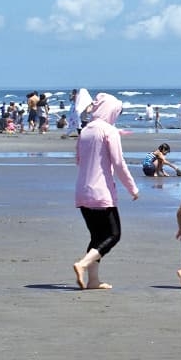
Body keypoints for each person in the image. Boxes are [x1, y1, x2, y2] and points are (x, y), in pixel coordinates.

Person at [72, 93, 139, 290]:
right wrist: (132, 188)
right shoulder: (109, 131)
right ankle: (83, 264)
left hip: (82, 192)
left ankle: (93, 281)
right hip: (101, 193)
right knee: (113, 234)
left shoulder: (85, 131)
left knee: (96, 236)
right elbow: (119, 163)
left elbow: (78, 160)